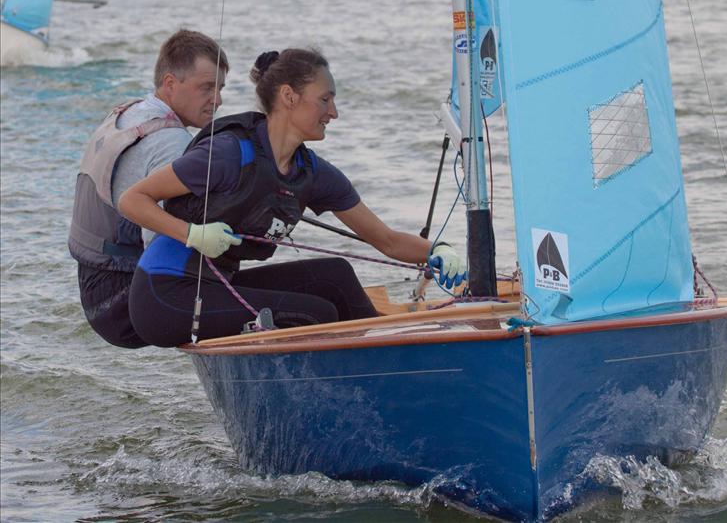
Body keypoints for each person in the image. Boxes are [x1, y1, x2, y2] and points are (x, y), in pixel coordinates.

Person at [119, 48, 467, 347]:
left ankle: (383, 361)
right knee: (317, 313)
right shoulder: (229, 154)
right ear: (288, 97)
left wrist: (439, 250)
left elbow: (387, 241)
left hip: (217, 285)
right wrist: (192, 235)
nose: (334, 113)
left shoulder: (312, 172)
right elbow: (133, 200)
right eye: (325, 99)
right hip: (164, 294)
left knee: (336, 275)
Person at [69, 30, 229, 348]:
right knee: (276, 303)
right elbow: (160, 253)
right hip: (124, 302)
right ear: (170, 83)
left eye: (221, 88)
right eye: (207, 88)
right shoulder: (172, 143)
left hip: (94, 288)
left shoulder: (129, 112)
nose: (218, 100)